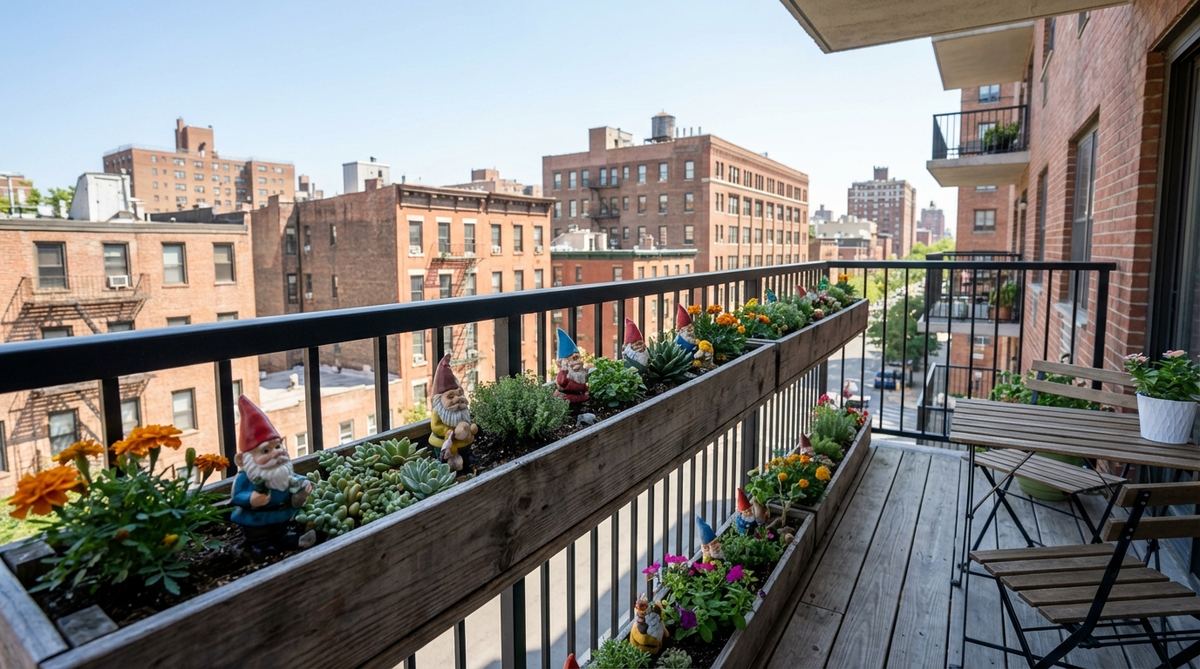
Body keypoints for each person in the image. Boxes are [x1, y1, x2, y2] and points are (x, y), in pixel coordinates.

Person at [230, 396, 316, 556]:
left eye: (278, 446)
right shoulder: (246, 478)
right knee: (260, 538)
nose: (276, 452)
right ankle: (260, 547)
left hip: (281, 514)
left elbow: (293, 479)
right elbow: (236, 496)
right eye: (265, 450)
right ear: (242, 459)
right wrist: (251, 499)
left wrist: (303, 484)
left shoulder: (282, 472)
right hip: (255, 519)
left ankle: (291, 540)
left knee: (282, 533)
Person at [428, 354, 477, 471]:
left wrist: (471, 428)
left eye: (459, 394)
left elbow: (467, 422)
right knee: (443, 459)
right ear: (439, 400)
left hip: (463, 441)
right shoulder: (438, 411)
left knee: (466, 456)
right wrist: (446, 431)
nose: (457, 399)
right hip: (442, 442)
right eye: (450, 396)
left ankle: (467, 465)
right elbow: (435, 426)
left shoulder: (463, 411)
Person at [555, 328, 591, 404]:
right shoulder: (564, 374)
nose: (577, 362)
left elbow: (583, 386)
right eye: (574, 358)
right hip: (568, 399)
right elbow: (562, 382)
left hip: (580, 399)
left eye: (578, 358)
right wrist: (564, 371)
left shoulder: (580, 375)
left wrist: (586, 391)